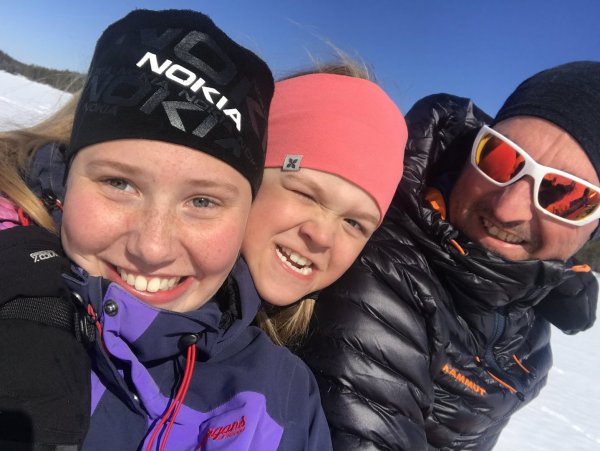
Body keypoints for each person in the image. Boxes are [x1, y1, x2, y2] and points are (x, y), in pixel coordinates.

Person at [0, 9, 333, 451]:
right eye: (119, 183)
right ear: (67, 176)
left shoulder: (286, 398)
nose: (152, 248)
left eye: (202, 201)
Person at [298, 61, 600, 450]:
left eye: (564, 194)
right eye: (500, 158)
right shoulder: (385, 274)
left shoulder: (534, 301)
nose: (508, 208)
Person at [244, 64, 408, 345]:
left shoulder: (317, 352)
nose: (322, 237)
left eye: (353, 223)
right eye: (306, 195)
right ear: (250, 171)